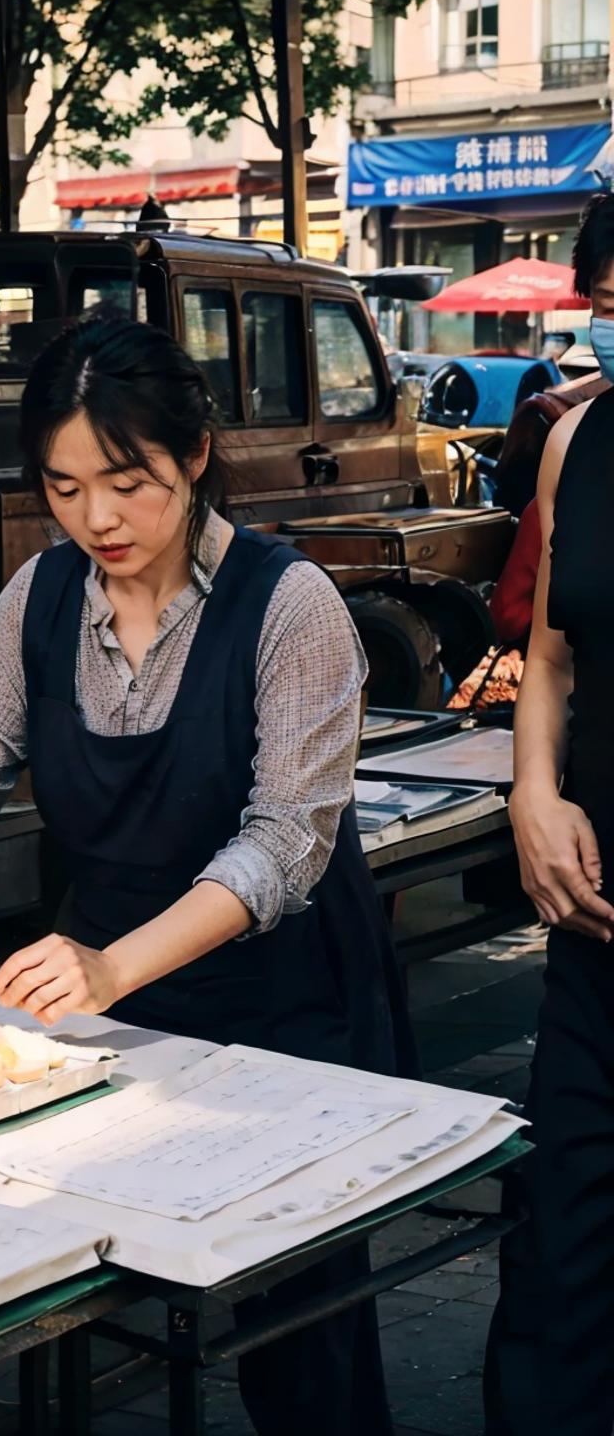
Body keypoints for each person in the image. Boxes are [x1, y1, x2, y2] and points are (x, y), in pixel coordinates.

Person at [0, 315, 415, 1436]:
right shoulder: (44, 597)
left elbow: (284, 844)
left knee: (299, 1341)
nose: (97, 519)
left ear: (193, 457)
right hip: (103, 1008)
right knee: (87, 1289)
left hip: (281, 1003)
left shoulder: (285, 604)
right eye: (63, 488)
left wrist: (112, 965)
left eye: (128, 481)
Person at [484, 192, 614, 1436]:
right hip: (594, 930)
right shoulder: (588, 441)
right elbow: (553, 651)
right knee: (557, 1269)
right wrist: (533, 788)